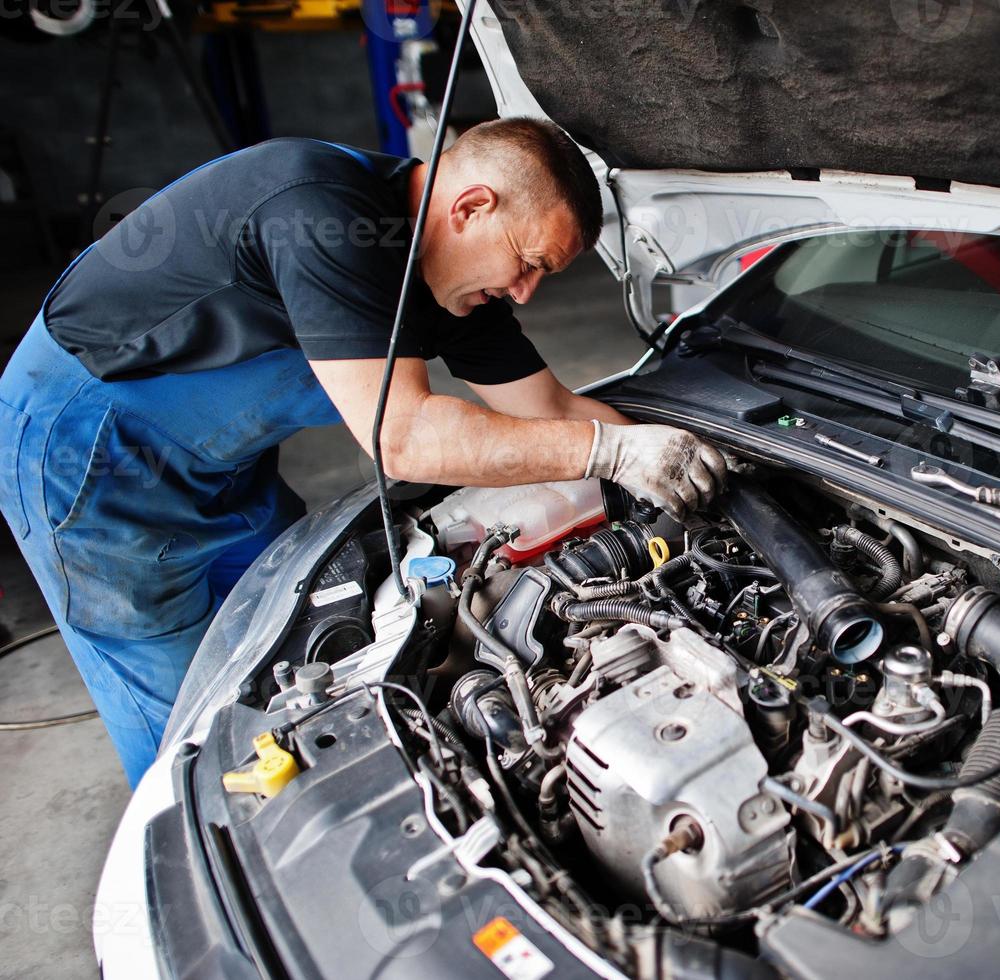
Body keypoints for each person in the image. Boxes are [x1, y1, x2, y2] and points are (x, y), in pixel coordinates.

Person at [0, 117, 727, 787]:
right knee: (185, 724)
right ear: (471, 207)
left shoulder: (453, 279)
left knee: (282, 648)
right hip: (88, 459)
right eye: (528, 262)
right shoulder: (322, 215)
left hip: (220, 468)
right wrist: (610, 453)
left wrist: (688, 465)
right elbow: (404, 438)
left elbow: (554, 412)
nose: (525, 292)